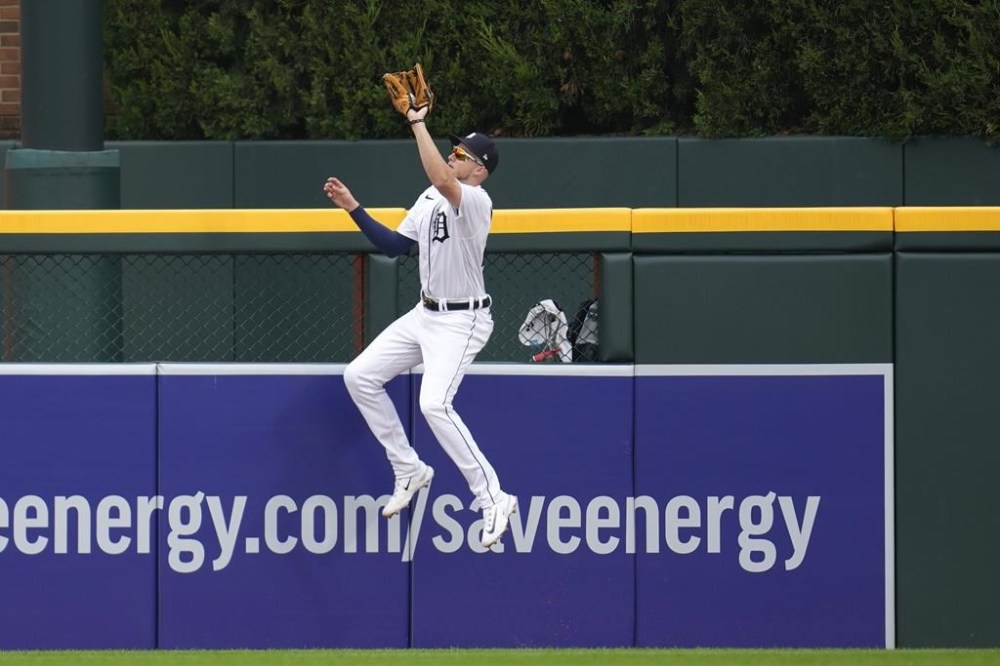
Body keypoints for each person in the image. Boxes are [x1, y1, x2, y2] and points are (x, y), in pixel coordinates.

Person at [323, 102, 517, 549]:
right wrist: (354, 208)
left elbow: (442, 179)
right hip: (425, 314)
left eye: (463, 155)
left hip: (463, 319)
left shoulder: (475, 200)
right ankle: (408, 467)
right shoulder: (430, 198)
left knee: (434, 405)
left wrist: (417, 122)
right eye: (453, 150)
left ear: (479, 170)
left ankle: (493, 497)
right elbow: (394, 246)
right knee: (360, 376)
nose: (454, 155)